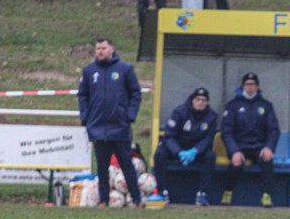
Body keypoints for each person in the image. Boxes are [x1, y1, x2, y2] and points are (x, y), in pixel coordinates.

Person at [77, 37, 143, 208]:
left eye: (104, 48)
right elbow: (83, 95)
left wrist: (130, 115)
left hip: (120, 126)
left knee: (126, 164)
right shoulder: (89, 70)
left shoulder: (125, 69)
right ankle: (104, 200)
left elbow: (135, 93)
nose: (100, 51)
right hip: (98, 126)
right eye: (98, 48)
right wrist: (86, 117)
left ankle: (137, 199)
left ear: (112, 49)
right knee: (102, 167)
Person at [220, 72, 280, 208]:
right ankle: (228, 192)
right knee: (236, 164)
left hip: (259, 147)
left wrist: (268, 147)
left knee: (267, 160)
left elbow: (273, 130)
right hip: (239, 146)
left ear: (257, 87)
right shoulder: (233, 105)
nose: (250, 87)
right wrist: (234, 151)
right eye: (247, 84)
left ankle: (266, 195)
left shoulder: (266, 105)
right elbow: (226, 132)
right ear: (243, 86)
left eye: (253, 84)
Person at [152, 87, 218, 206]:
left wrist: (195, 151)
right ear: (193, 100)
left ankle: (202, 194)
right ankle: (162, 191)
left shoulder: (211, 116)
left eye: (203, 100)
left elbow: (208, 139)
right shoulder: (180, 112)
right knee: (159, 154)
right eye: (198, 99)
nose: (200, 102)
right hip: (178, 147)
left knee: (210, 156)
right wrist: (178, 152)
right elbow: (169, 136)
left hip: (196, 150)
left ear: (207, 102)